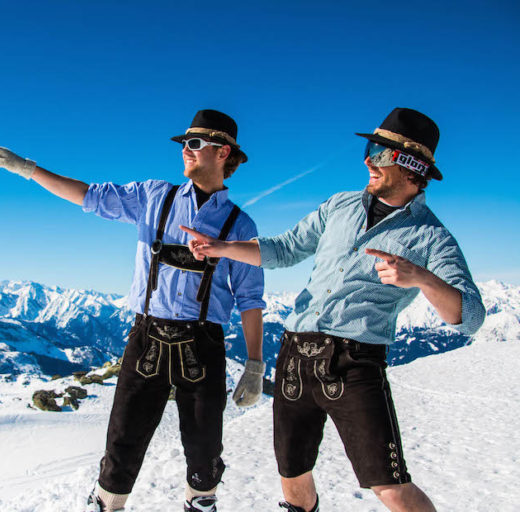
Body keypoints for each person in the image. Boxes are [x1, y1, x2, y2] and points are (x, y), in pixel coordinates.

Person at [181, 107, 486, 512]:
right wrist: (221, 248)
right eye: (368, 150)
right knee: (292, 475)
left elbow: (470, 316)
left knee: (390, 486)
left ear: (412, 165)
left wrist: (422, 278)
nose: (368, 161)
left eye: (379, 153)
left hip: (355, 363)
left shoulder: (432, 237)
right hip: (295, 356)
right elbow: (285, 249)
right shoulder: (339, 205)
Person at [0, 109, 266, 512]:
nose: (185, 150)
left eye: (195, 143)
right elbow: (88, 196)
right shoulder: (153, 197)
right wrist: (27, 169)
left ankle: (201, 504)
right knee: (122, 441)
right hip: (147, 336)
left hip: (203, 345)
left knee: (204, 448)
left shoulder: (240, 225)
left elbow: (250, 299)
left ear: (223, 153)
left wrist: (255, 364)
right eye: (184, 143)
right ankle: (106, 505)